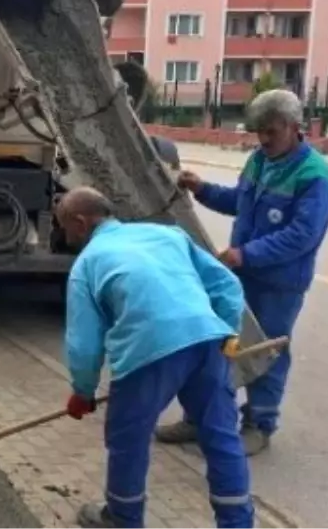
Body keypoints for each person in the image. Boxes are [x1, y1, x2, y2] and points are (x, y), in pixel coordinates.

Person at [56, 187, 254, 529]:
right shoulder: (167, 235)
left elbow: (84, 344)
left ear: (80, 221)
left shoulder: (87, 264)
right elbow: (226, 286)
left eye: (64, 227)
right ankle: (237, 523)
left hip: (147, 353)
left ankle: (123, 519)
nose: (64, 235)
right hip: (208, 340)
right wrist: (227, 333)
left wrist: (83, 391)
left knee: (128, 439)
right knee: (221, 438)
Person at [156, 89, 328, 456]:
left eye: (271, 132)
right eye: (259, 132)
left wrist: (245, 254)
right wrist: (202, 188)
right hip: (241, 275)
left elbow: (302, 235)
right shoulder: (259, 160)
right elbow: (239, 202)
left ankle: (259, 425)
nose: (264, 140)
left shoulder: (314, 174)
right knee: (215, 343)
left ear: (292, 126)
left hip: (278, 284)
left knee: (263, 351)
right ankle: (199, 417)